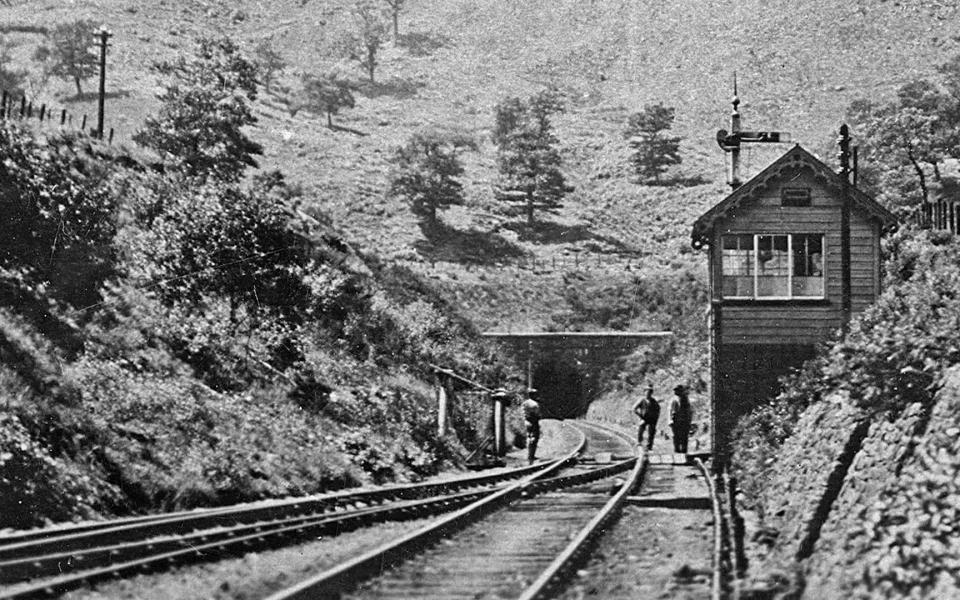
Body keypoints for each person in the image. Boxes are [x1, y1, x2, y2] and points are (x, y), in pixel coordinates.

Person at [632, 383, 660, 450]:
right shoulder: (642, 400)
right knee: (640, 429)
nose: (648, 393)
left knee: (651, 432)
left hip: (652, 419)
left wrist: (656, 417)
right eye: (647, 392)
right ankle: (639, 442)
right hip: (643, 418)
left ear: (651, 393)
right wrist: (640, 416)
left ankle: (649, 446)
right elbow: (634, 408)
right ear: (644, 392)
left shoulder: (654, 401)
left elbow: (658, 409)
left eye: (650, 392)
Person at [669, 384, 692, 454]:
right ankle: (677, 452)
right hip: (675, 421)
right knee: (676, 437)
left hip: (684, 421)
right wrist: (670, 420)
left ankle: (684, 452)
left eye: (677, 390)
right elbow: (670, 411)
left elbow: (689, 411)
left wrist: (689, 420)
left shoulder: (685, 399)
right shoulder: (673, 400)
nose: (675, 392)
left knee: (684, 437)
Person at [521, 388, 542, 465]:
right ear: (533, 395)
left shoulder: (524, 403)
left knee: (528, 437)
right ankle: (531, 455)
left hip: (526, 421)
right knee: (534, 438)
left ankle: (529, 455)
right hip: (533, 422)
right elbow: (538, 414)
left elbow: (522, 412)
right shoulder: (535, 404)